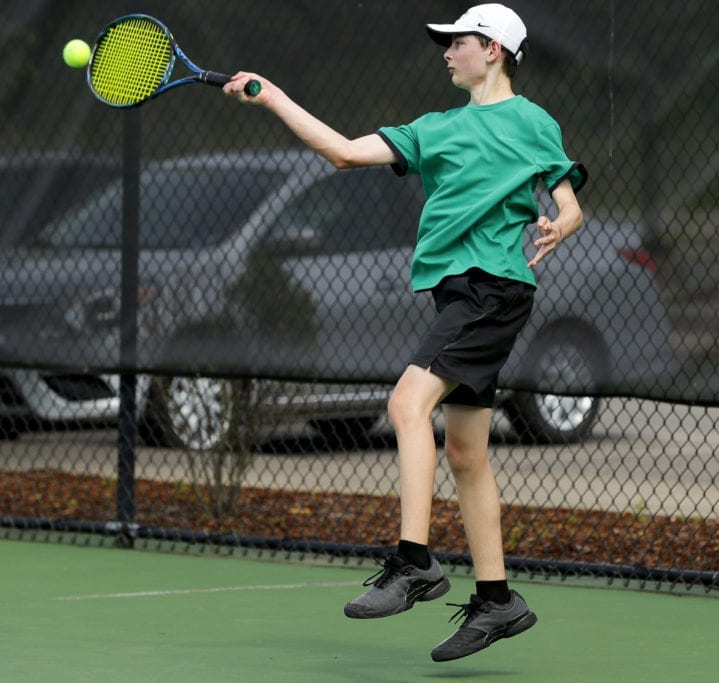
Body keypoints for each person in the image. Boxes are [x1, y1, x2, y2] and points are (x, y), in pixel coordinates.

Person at [224, 3, 587, 662]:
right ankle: (499, 599)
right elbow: (340, 152)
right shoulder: (435, 128)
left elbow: (567, 196)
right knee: (466, 454)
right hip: (462, 293)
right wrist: (273, 96)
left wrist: (566, 220)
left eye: (459, 42)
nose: (447, 52)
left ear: (495, 51)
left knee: (405, 403)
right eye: (446, 43)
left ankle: (414, 561)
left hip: (493, 288)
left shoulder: (532, 121)